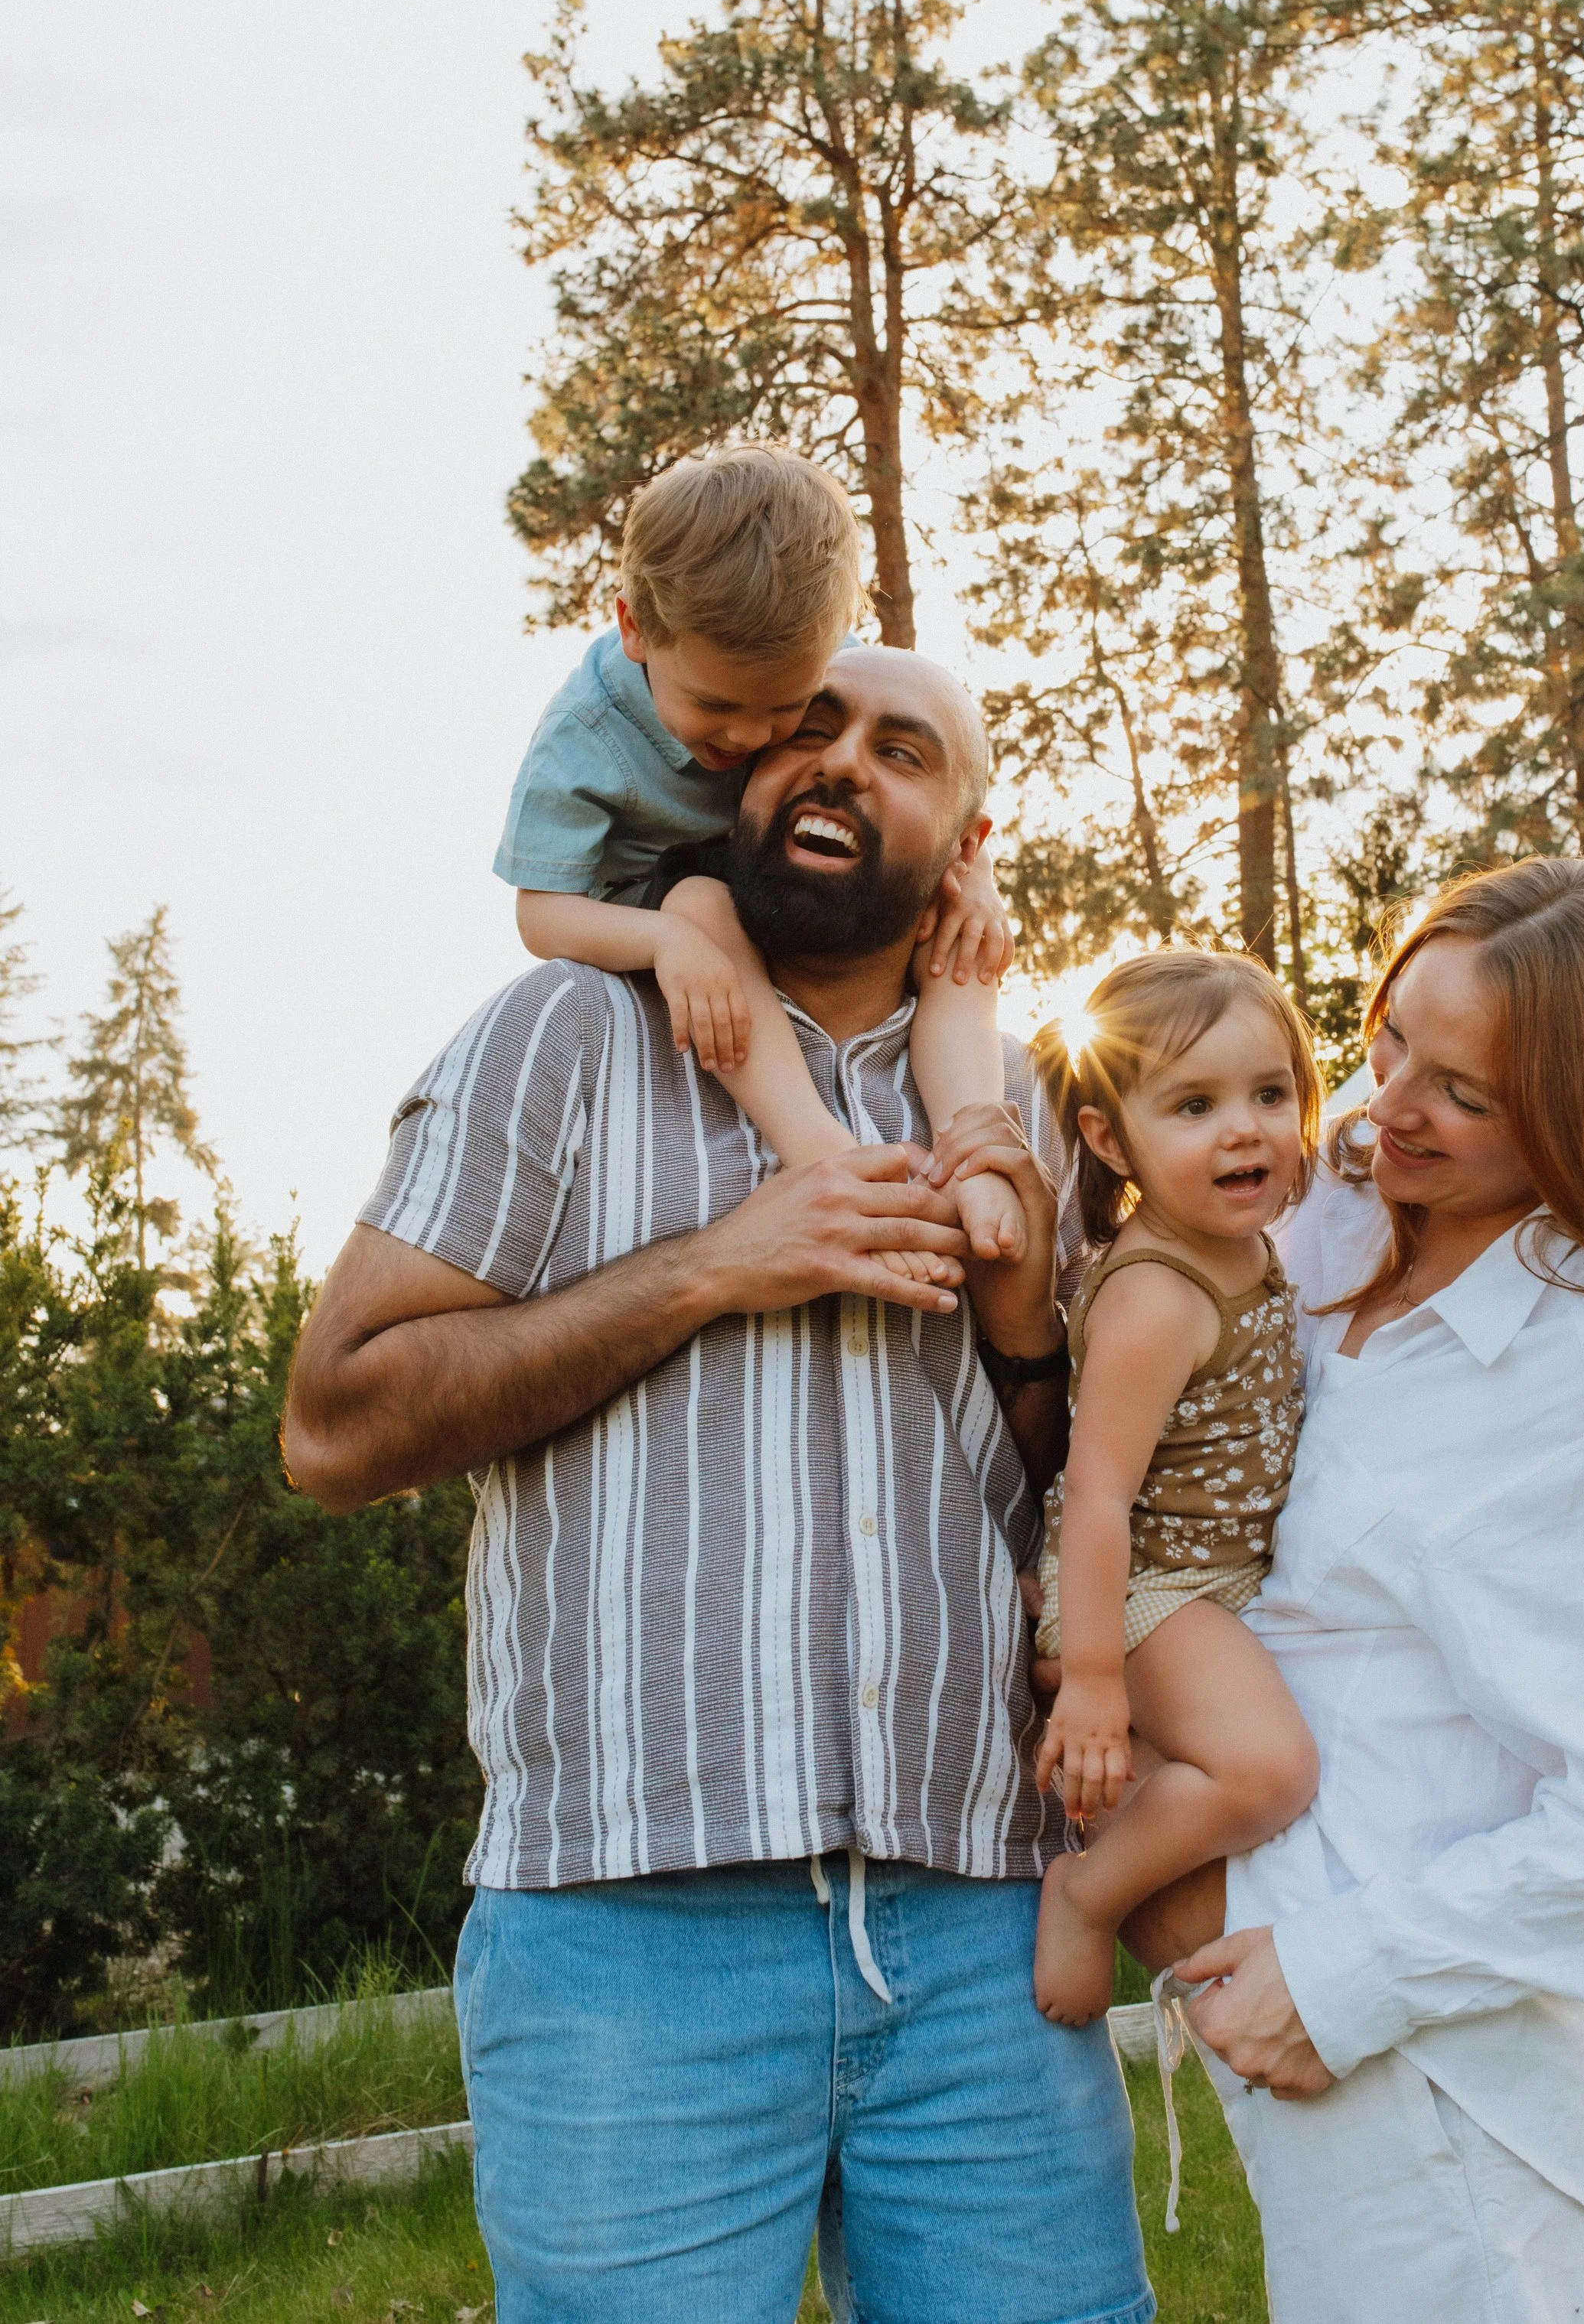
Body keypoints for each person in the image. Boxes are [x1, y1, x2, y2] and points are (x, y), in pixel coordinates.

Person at [282, 643, 1153, 2324]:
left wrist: (1029, 1331)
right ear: (728, 781)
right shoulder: (562, 1038)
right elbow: (336, 1423)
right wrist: (711, 1266)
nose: (842, 764)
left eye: (904, 750)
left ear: (967, 837)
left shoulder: (1031, 1104)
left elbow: (1067, 1483)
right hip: (629, 1944)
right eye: (808, 729)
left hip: (980, 1920)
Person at [1123, 856, 1584, 2324]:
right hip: (1316, 2064)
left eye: (1464, 1091)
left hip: (1449, 2100)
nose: (1384, 1105)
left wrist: (1340, 1978)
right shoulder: (1335, 1212)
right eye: (1390, 1037)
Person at [496, 443, 1023, 1263]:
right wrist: (666, 943)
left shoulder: (807, 636)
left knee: (955, 929)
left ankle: (975, 1153)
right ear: (635, 627)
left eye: (785, 710)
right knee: (701, 908)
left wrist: (975, 876)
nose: (745, 738)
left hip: (770, 872)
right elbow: (537, 913)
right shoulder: (581, 740)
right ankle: (819, 1146)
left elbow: (931, 762)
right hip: (653, 914)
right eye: (713, 706)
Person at [1024, 951, 1321, 2024]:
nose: (1245, 1129)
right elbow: (1098, 1495)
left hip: (1205, 1581)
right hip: (1140, 1581)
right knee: (1267, 1771)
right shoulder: (1158, 1292)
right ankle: (1088, 1893)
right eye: (1194, 1105)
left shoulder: (1239, 1234)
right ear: (1111, 1137)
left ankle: (1138, 1791)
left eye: (1270, 1093)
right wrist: (1096, 1679)